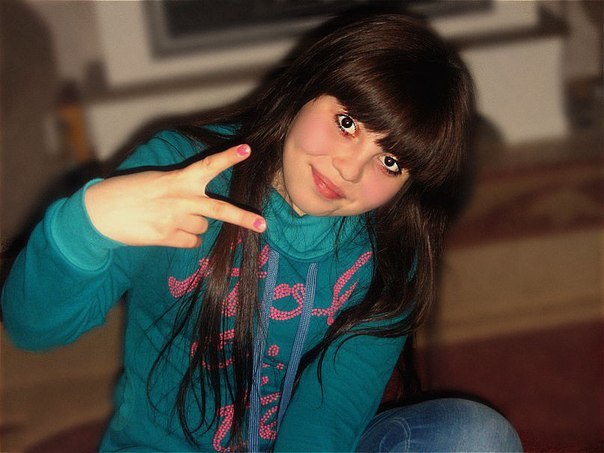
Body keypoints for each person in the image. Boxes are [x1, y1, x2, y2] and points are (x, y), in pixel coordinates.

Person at [1, 12, 522, 452]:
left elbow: (328, 416)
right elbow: (33, 328)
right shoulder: (180, 174)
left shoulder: (387, 252)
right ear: (308, 88)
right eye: (347, 123)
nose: (349, 170)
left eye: (390, 162)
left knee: (476, 438)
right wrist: (84, 224)